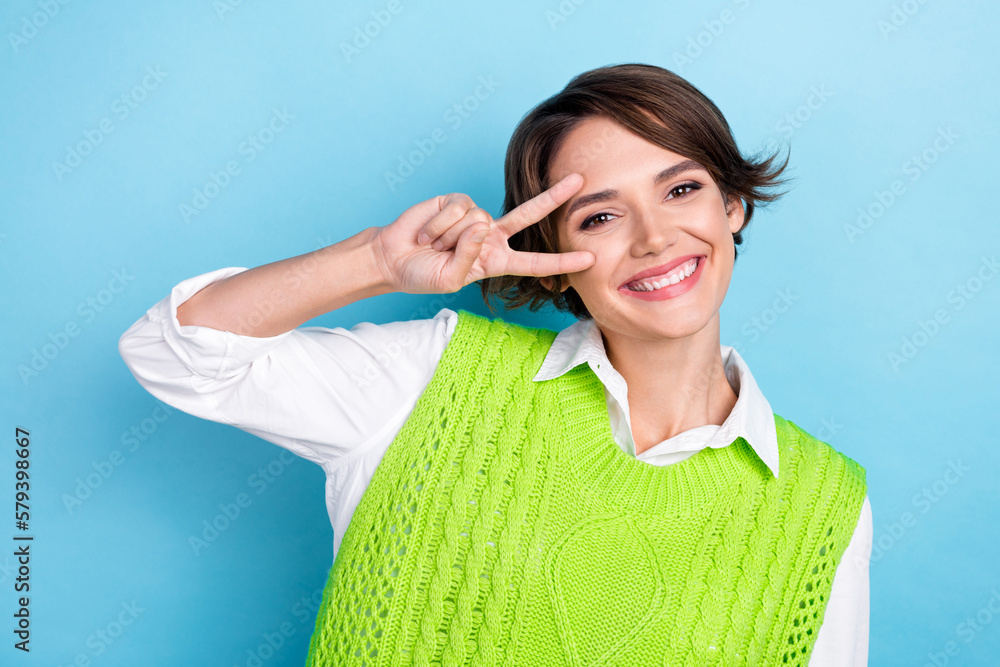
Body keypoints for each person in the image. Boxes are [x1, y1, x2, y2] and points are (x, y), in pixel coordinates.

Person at [118, 63, 871, 665]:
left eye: (681, 189)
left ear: (732, 205)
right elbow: (176, 353)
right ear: (551, 259)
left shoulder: (824, 502)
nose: (654, 237)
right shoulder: (432, 378)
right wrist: (376, 261)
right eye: (601, 215)